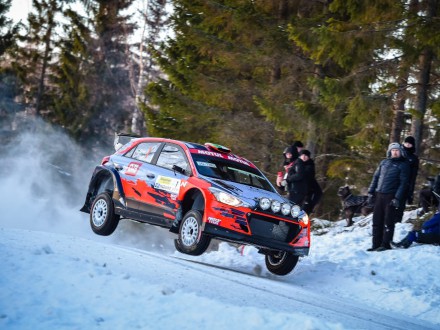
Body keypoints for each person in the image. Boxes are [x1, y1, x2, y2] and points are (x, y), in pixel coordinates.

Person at [367, 142, 410, 252]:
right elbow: (375, 177)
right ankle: (375, 244)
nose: (394, 152)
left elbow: (403, 183)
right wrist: (371, 192)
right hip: (379, 194)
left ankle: (385, 244)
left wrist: (397, 198)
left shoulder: (403, 165)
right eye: (393, 150)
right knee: (376, 221)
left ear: (400, 152)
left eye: (397, 150)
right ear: (389, 151)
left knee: (388, 221)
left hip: (391, 196)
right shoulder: (384, 162)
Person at [395, 136, 419, 223]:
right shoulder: (398, 153)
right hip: (394, 182)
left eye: (409, 144)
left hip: (406, 184)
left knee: (400, 205)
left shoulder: (414, 158)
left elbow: (413, 175)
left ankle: (397, 223)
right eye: (406, 143)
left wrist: (410, 191)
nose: (407, 145)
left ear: (412, 145)